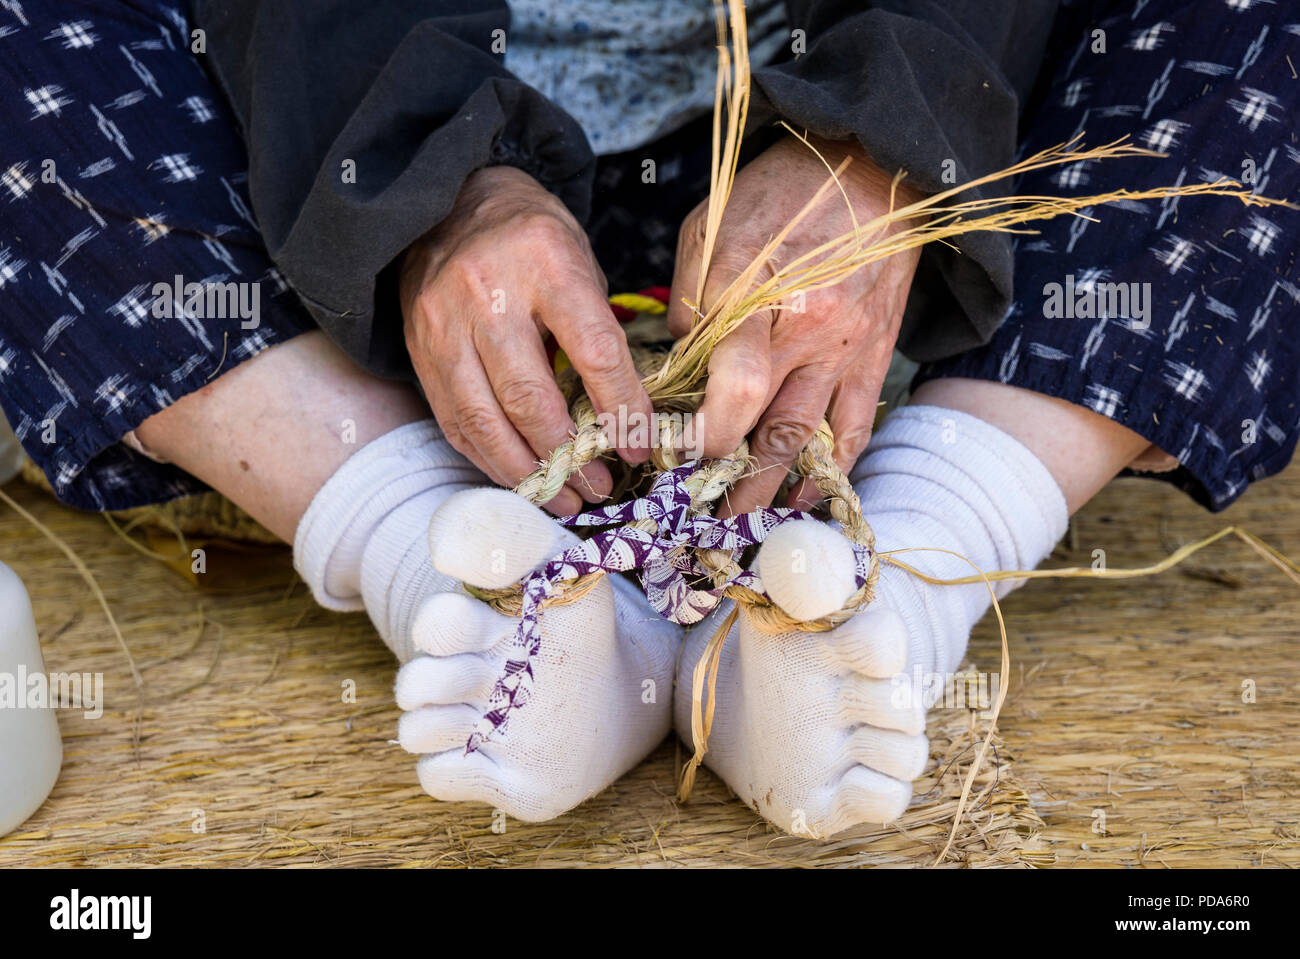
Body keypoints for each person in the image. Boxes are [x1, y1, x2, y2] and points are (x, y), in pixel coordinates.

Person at [0, 0, 1295, 836]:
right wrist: (424, 177)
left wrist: (886, 139)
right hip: (355, 197)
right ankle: (446, 555)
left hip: (911, 214)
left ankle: (888, 573)